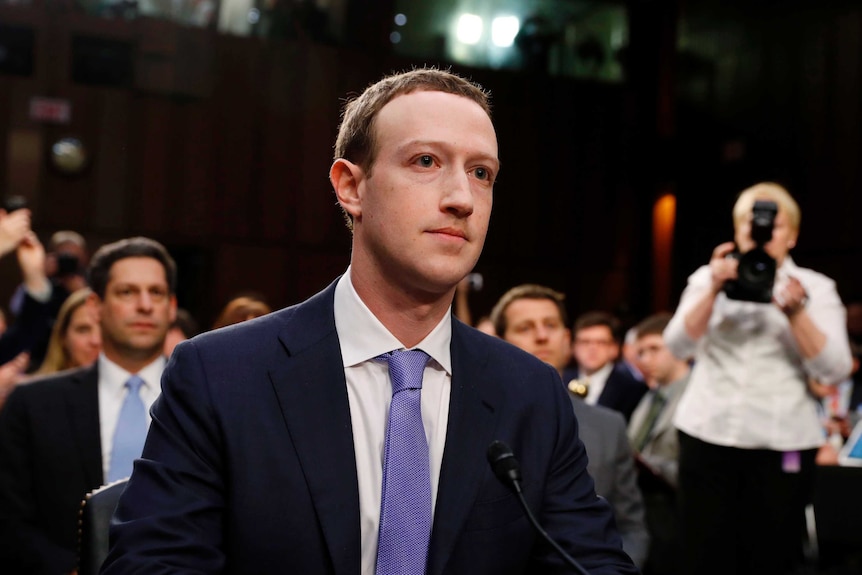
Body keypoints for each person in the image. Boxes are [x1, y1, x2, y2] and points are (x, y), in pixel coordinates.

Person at [102, 68, 637, 574]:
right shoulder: (220, 374)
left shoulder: (532, 394)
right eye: (426, 162)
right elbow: (151, 562)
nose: (461, 199)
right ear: (351, 187)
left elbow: (592, 563)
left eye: (482, 173)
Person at [664, 182, 852, 575]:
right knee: (701, 553)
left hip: (782, 439)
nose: (761, 233)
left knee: (773, 555)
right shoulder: (707, 278)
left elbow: (835, 369)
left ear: (793, 235)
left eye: (774, 226)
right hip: (707, 433)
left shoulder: (815, 289)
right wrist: (715, 287)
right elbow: (676, 346)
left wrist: (797, 313)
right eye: (752, 224)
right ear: (737, 231)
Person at [0, 236, 177, 574]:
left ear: (171, 305)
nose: (145, 305)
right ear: (96, 306)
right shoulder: (34, 403)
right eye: (127, 292)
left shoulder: (212, 398)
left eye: (156, 293)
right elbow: (9, 519)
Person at [490, 283, 649, 569]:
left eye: (550, 325)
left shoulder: (609, 426)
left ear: (566, 339)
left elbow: (631, 527)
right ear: (498, 340)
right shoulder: (475, 419)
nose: (541, 336)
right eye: (525, 328)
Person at [628, 313, 690, 575]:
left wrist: (649, 464)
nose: (646, 360)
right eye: (641, 352)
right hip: (646, 510)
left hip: (680, 514)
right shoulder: (650, 398)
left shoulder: (697, 396)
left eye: (654, 349)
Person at [565, 311, 648, 421]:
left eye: (601, 342)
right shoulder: (559, 381)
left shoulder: (632, 390)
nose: (592, 348)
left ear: (614, 348)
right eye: (585, 342)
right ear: (573, 347)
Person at [33, 287, 101, 375]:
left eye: (105, 331)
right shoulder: (36, 388)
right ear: (63, 337)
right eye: (83, 330)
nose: (96, 341)